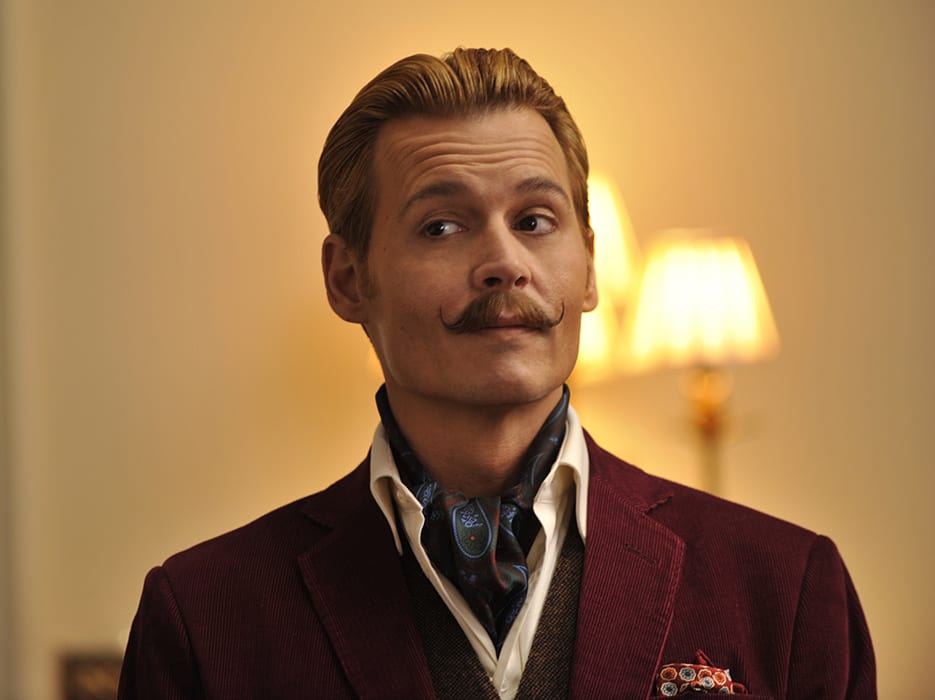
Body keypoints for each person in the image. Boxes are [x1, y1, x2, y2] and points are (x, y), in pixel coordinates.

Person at [118, 48, 876, 699]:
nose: (504, 264)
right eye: (441, 226)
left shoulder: (786, 587)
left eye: (534, 221)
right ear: (347, 280)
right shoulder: (204, 617)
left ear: (588, 265)